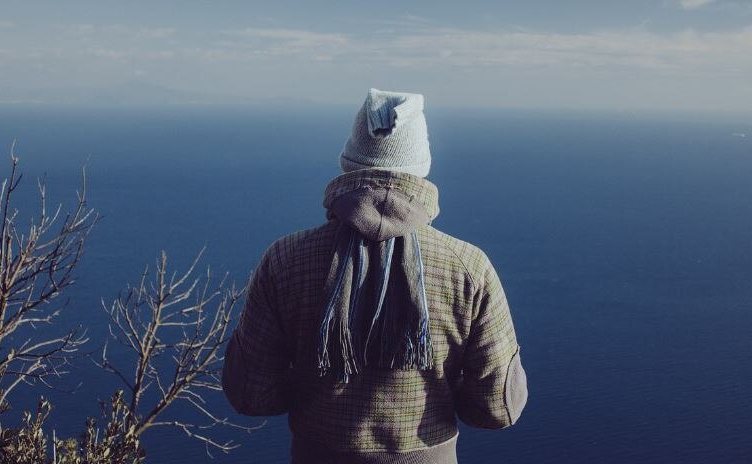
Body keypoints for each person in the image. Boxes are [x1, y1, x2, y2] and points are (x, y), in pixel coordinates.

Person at [222, 88, 527, 464]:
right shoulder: (467, 267)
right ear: (422, 164)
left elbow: (252, 394)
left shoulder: (286, 258)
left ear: (349, 161)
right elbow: (497, 407)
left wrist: (313, 386)